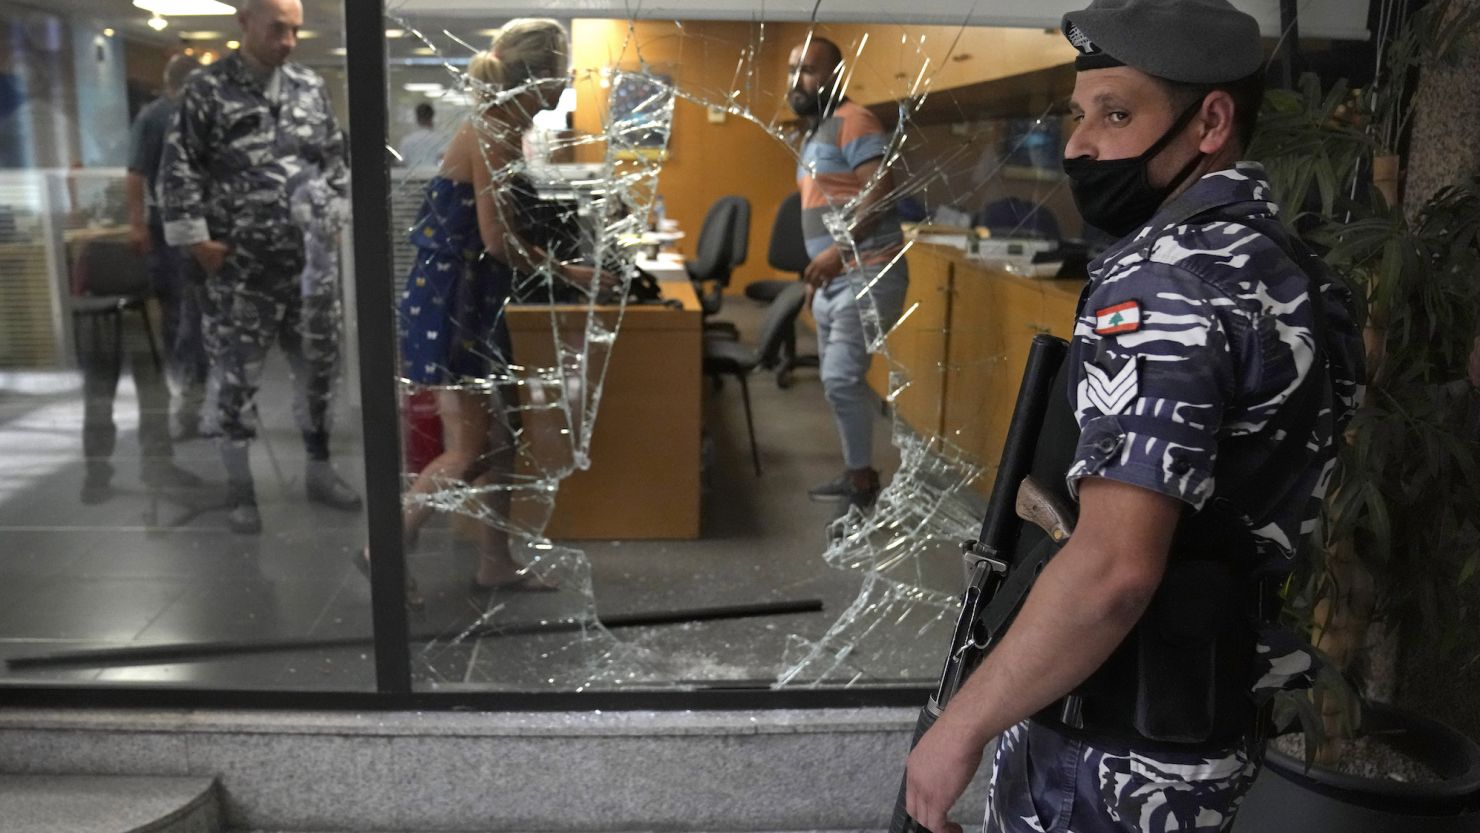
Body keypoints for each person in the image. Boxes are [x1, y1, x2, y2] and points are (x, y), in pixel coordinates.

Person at [902, 2, 1364, 831]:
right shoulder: (1301, 275)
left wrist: (959, 725)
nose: (1080, 145)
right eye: (1080, 116)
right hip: (1206, 718)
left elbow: (1115, 570)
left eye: (1116, 114)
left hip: (1108, 740)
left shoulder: (1163, 283)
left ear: (1210, 121)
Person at [375, 19, 591, 602]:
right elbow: (498, 242)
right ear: (540, 75)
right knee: (469, 447)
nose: (566, 81)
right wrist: (568, 271)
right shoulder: (492, 130)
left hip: (474, 295)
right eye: (562, 68)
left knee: (501, 440)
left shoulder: (505, 127)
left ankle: (495, 561)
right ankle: (387, 550)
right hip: (456, 299)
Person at [159, 0, 360, 534]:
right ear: (243, 22)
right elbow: (178, 168)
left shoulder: (309, 87)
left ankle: (320, 468)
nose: (289, 41)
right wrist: (198, 241)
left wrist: (334, 219)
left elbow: (335, 160)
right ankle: (240, 490)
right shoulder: (207, 90)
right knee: (236, 379)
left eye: (295, 30)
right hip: (241, 270)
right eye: (278, 29)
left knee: (318, 370)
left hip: (308, 268)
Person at [787, 36, 909, 516]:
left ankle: (863, 483)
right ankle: (857, 471)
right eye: (793, 68)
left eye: (809, 69)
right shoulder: (816, 132)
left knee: (840, 379)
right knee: (837, 380)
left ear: (835, 76)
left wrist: (837, 255)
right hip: (835, 279)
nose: (798, 79)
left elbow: (881, 191)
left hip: (868, 272)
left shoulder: (853, 120)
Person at [126, 53, 209, 441]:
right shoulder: (156, 117)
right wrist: (137, 224)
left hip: (201, 230)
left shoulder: (198, 116)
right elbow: (135, 174)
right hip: (169, 232)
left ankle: (197, 399)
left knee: (198, 318)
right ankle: (187, 404)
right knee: (184, 318)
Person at [397, 102, 447, 169]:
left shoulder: (407, 140)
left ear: (417, 118)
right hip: (432, 176)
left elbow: (402, 162)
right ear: (432, 118)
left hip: (411, 178)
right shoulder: (440, 139)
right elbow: (443, 159)